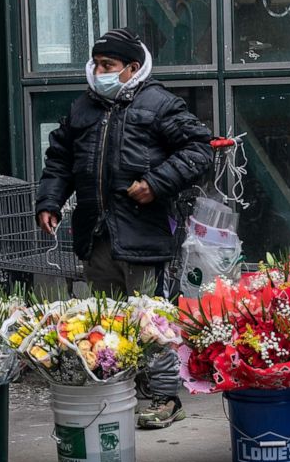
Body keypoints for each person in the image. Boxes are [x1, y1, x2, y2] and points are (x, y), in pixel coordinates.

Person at [35, 28, 214, 429]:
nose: (98, 71)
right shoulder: (83, 108)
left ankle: (165, 397)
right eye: (96, 64)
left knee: (151, 319)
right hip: (97, 234)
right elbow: (60, 160)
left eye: (108, 66)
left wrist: (156, 183)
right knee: (107, 320)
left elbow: (198, 149)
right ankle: (119, 389)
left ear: (132, 68)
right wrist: (49, 201)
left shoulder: (159, 104)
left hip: (143, 233)